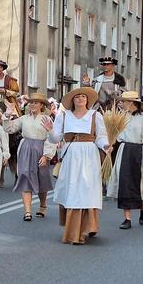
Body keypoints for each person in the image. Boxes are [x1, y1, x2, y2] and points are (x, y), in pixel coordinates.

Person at [43, 87, 111, 244]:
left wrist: (106, 146)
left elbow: (100, 137)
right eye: (77, 97)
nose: (80, 99)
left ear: (87, 100)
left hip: (89, 155)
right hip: (71, 155)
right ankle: (75, 230)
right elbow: (55, 139)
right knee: (73, 188)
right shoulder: (64, 115)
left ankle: (87, 227)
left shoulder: (95, 115)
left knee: (87, 189)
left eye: (83, 96)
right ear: (72, 100)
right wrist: (50, 131)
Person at [106, 91, 143, 229]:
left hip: (139, 151)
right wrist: (111, 145)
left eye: (124, 101)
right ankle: (127, 219)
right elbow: (116, 135)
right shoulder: (121, 117)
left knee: (138, 183)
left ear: (132, 103)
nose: (121, 104)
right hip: (124, 151)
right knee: (124, 184)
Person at [3, 93, 55, 221]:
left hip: (41, 149)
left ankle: (43, 206)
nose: (32, 104)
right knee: (25, 176)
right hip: (26, 148)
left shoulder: (47, 119)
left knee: (42, 178)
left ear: (41, 105)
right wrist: (8, 114)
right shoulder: (24, 118)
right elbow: (9, 128)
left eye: (36, 102)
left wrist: (47, 156)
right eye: (31, 102)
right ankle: (27, 211)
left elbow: (51, 138)